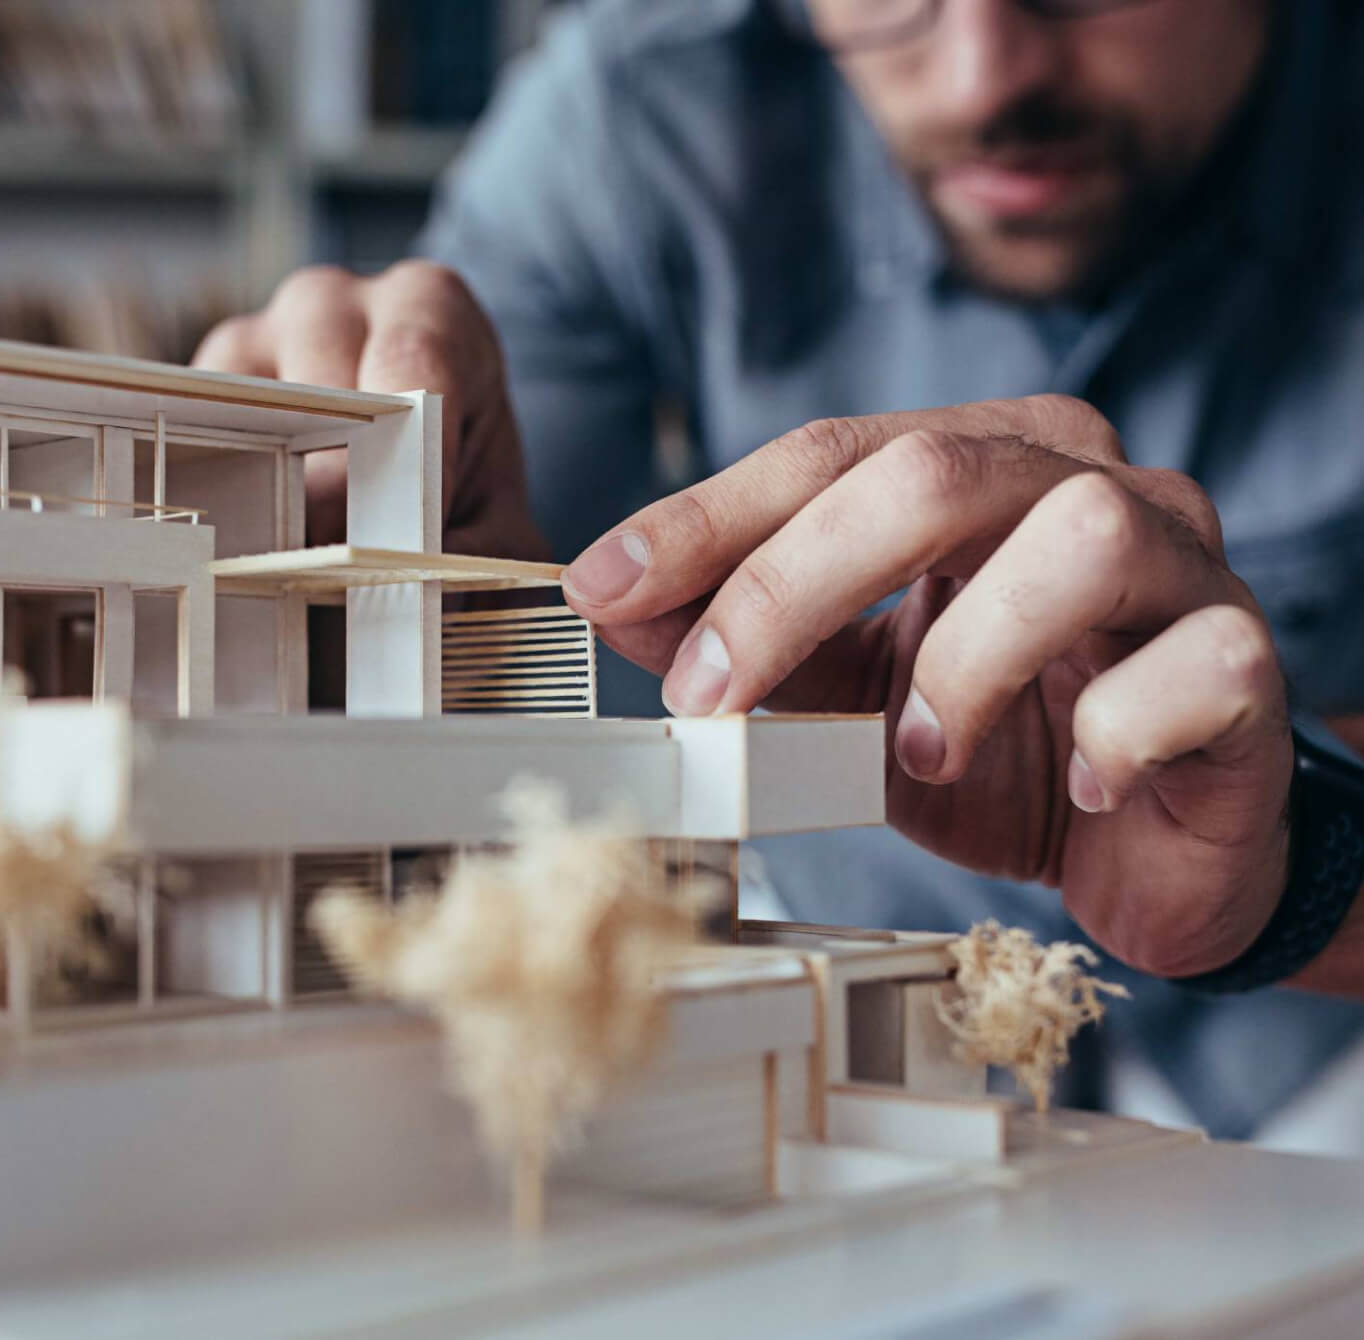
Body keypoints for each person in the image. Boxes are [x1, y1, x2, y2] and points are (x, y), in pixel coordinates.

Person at [194, 0, 1364, 1141]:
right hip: (823, 1005)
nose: (981, 77)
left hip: (1314, 1048)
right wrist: (397, 592)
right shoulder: (633, 106)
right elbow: (503, 636)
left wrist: (1300, 873)